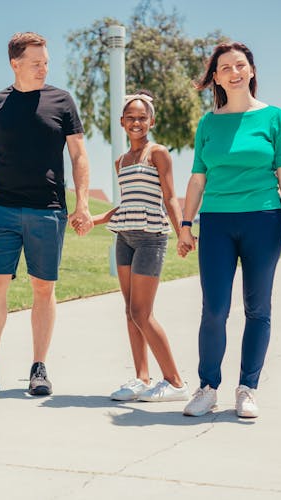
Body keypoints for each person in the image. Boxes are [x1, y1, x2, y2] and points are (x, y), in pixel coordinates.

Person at [177, 42, 281, 418]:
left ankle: (247, 388)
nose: (234, 71)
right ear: (215, 77)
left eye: (240, 65)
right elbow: (198, 179)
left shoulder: (274, 118)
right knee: (213, 309)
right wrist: (185, 223)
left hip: (263, 220)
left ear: (251, 71)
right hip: (216, 222)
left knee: (257, 309)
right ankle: (208, 387)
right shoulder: (208, 123)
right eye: (225, 67)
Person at [0, 32, 93, 399]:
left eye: (46, 63)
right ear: (15, 63)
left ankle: (39, 367)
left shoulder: (62, 101)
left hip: (49, 209)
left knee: (44, 288)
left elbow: (79, 156)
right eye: (36, 62)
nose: (43, 68)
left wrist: (83, 203)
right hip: (3, 207)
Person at [92, 90, 189, 403]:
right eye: (130, 117)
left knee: (141, 312)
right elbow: (126, 204)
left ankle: (175, 383)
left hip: (151, 238)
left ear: (152, 120)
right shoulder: (121, 162)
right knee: (130, 312)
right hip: (125, 237)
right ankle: (141, 379)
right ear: (122, 122)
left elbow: (169, 196)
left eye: (142, 117)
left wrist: (183, 231)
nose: (136, 122)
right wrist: (93, 220)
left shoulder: (158, 153)